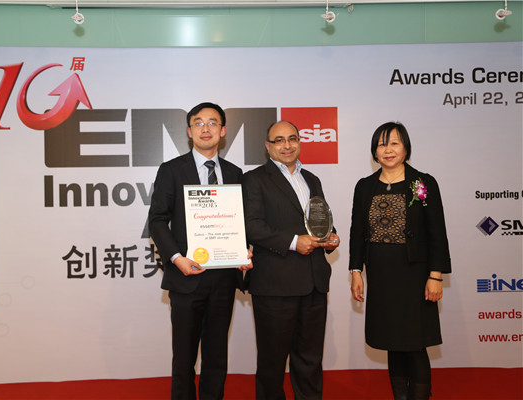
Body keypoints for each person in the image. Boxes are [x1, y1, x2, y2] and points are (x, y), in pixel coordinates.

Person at [148, 102, 252, 400]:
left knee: (217, 356)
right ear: (190, 131)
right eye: (199, 123)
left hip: (224, 278)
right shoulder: (171, 170)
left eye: (212, 123)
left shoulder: (235, 173)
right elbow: (157, 221)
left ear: (223, 131)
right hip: (186, 277)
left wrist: (244, 251)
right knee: (184, 358)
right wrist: (177, 259)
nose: (206, 128)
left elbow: (242, 222)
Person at [348, 122, 451, 400]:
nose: (388, 150)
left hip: (414, 275)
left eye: (394, 143)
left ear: (406, 148)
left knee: (415, 344)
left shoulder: (421, 184)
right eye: (382, 144)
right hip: (381, 275)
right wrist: (356, 270)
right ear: (375, 151)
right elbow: (357, 231)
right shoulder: (365, 186)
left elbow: (436, 231)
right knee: (392, 342)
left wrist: (435, 275)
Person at [242, 120, 340, 400]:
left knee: (310, 359)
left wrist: (331, 237)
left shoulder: (312, 179)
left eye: (292, 139)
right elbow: (252, 226)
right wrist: (295, 242)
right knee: (272, 362)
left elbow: (320, 221)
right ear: (268, 146)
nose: (287, 145)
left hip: (314, 282)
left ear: (299, 142)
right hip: (275, 285)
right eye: (279, 140)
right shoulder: (254, 179)